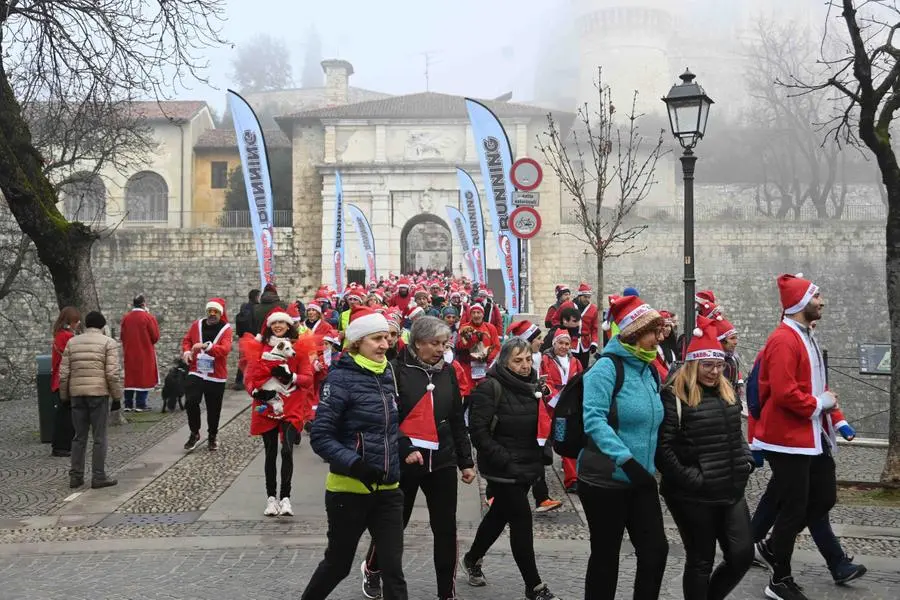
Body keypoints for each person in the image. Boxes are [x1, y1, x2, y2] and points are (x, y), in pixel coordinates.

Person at [361, 316, 475, 600]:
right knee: (395, 524)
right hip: (406, 460)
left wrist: (466, 460)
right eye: (434, 343)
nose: (440, 349)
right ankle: (373, 568)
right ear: (418, 343)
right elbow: (389, 419)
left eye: (443, 343)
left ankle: (446, 594)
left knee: (446, 528)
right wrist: (404, 449)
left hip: (443, 459)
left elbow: (457, 419)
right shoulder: (395, 370)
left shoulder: (448, 372)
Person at [301, 307, 407, 600]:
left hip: (388, 490)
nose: (385, 344)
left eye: (387, 338)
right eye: (377, 339)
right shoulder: (340, 380)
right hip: (349, 490)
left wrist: (406, 448)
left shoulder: (388, 373)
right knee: (338, 565)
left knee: (393, 570)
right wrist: (357, 465)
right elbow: (321, 437)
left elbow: (390, 427)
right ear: (357, 342)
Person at [751, 273, 840, 600]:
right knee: (794, 506)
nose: (822, 302)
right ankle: (779, 580)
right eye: (816, 297)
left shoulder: (804, 335)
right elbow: (786, 393)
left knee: (824, 497)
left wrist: (828, 409)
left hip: (809, 434)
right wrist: (820, 403)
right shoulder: (784, 340)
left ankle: (774, 545)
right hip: (788, 438)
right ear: (801, 302)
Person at [656, 316, 755, 600]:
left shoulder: (727, 392)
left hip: (730, 487)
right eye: (707, 365)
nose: (714, 372)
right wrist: (694, 478)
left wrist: (745, 459)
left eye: (719, 365)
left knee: (742, 555)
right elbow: (664, 449)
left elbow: (737, 432)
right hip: (693, 495)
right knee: (701, 560)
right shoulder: (675, 395)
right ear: (693, 365)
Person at [578, 294, 668, 600]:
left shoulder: (650, 369)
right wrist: (626, 460)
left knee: (656, 552)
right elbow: (594, 421)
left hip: (641, 480)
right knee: (606, 557)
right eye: (652, 332)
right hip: (605, 480)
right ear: (632, 333)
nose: (659, 338)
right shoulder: (605, 369)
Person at [462, 337, 562, 600]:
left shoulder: (534, 387)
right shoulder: (489, 388)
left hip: (528, 466)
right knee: (521, 520)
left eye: (528, 359)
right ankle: (535, 586)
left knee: (498, 516)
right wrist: (505, 459)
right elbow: (478, 432)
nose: (525, 365)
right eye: (518, 360)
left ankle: (472, 558)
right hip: (503, 467)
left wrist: (543, 455)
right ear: (505, 361)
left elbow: (540, 426)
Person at [243, 309, 316, 517]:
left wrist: (291, 376)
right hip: (266, 405)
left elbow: (308, 379)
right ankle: (271, 498)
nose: (278, 327)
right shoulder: (259, 349)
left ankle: (286, 498)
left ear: (288, 326)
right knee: (270, 453)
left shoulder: (298, 349)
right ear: (269, 327)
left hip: (291, 405)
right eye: (274, 324)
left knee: (287, 451)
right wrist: (256, 391)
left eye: (281, 324)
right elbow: (249, 377)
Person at [58, 310, 122, 490]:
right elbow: (112, 374)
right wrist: (117, 397)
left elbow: (64, 373)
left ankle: (76, 476)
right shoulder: (109, 343)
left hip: (77, 394)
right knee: (99, 437)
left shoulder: (72, 342)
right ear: (102, 326)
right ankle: (98, 476)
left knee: (79, 437)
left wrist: (64, 396)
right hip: (98, 393)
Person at [181, 298, 233, 452]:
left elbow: (225, 350)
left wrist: (206, 346)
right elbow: (187, 340)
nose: (212, 314)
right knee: (191, 401)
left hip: (216, 374)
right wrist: (186, 351)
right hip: (196, 370)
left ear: (220, 313)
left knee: (213, 408)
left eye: (215, 312)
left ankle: (212, 436)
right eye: (210, 311)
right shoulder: (197, 325)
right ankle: (194, 432)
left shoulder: (226, 329)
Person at [541, 328, 583, 493]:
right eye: (561, 343)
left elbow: (580, 380)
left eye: (567, 344)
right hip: (552, 405)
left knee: (567, 437)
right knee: (547, 439)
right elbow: (546, 381)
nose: (564, 347)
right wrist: (556, 398)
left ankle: (572, 478)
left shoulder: (576, 361)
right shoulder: (546, 359)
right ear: (554, 343)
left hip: (569, 406)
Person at [120, 294, 160, 412]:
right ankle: (140, 404)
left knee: (130, 377)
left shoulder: (126, 318)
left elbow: (122, 335)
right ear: (143, 304)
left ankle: (128, 403)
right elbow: (155, 336)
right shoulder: (148, 317)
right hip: (144, 351)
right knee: (143, 377)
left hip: (129, 351)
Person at [50, 307, 80, 457]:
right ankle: (63, 446)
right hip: (65, 380)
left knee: (63, 414)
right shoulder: (67, 337)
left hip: (58, 379)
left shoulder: (59, 335)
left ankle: (61, 445)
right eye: (76, 321)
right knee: (66, 415)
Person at [456, 303, 500, 385]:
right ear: (470, 315)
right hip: (468, 367)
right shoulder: (464, 327)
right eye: (473, 313)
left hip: (486, 366)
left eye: (478, 312)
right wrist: (472, 339)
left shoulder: (490, 328)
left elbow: (496, 347)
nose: (476, 315)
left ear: (483, 314)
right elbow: (459, 346)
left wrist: (486, 357)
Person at [233, 289, 261, 390]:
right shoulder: (256, 308)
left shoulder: (244, 307)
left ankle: (238, 382)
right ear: (256, 297)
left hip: (243, 337)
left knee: (243, 360)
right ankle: (250, 381)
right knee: (253, 360)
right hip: (253, 337)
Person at [572, 282, 599, 369]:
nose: (587, 299)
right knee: (572, 368)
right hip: (572, 343)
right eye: (585, 297)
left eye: (589, 297)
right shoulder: (570, 306)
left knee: (583, 369)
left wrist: (594, 343)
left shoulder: (593, 309)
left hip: (585, 345)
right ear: (579, 296)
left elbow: (595, 329)